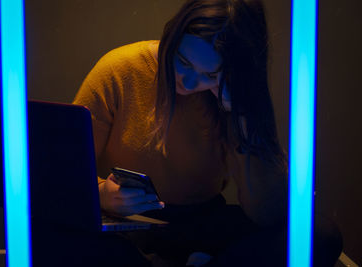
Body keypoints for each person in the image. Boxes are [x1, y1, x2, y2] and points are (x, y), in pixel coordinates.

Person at [73, 0, 342, 266]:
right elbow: (62, 175)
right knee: (48, 233)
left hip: (200, 221)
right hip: (128, 224)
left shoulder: (237, 97)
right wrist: (102, 195)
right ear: (172, 37)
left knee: (318, 236)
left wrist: (240, 116)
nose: (189, 82)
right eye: (182, 62)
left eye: (210, 75)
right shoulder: (120, 70)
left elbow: (269, 212)